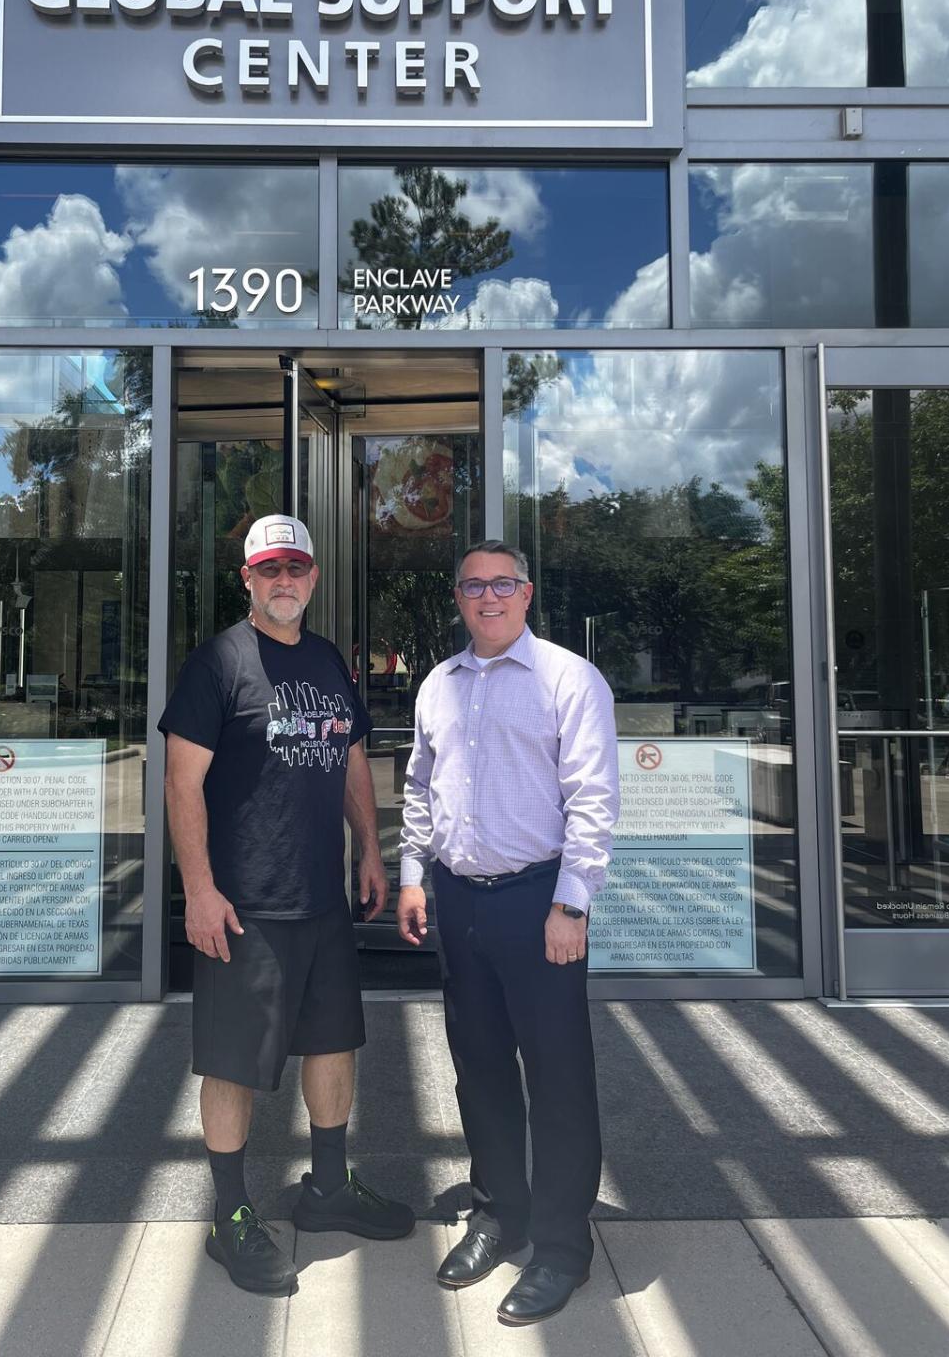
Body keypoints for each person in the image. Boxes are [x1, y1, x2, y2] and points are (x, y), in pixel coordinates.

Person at [161, 513, 414, 1297]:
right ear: (247, 578)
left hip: (322, 900)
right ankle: (229, 1215)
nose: (284, 581)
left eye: (295, 568)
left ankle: (328, 1187)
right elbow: (181, 783)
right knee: (233, 1063)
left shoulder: (328, 659)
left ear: (311, 577)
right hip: (245, 907)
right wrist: (199, 891)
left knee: (334, 1043)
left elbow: (348, 759)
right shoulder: (218, 663)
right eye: (269, 569)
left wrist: (370, 849)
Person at [397, 539, 619, 1328]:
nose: (488, 597)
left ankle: (562, 1245)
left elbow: (593, 799)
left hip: (539, 904)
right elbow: (419, 787)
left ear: (527, 595)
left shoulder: (568, 678)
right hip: (458, 901)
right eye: (472, 585)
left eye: (503, 584)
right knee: (479, 1068)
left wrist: (572, 904)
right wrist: (413, 876)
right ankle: (500, 1214)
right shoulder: (437, 686)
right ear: (457, 598)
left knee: (558, 1078)